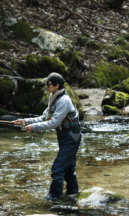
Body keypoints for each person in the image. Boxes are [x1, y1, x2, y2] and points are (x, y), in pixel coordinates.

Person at [13, 72, 82, 201]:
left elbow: (53, 123)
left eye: (48, 84)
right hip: (65, 136)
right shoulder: (54, 97)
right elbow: (44, 117)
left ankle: (54, 197)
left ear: (56, 86)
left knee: (57, 169)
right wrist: (25, 121)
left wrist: (34, 128)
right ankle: (73, 194)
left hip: (71, 137)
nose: (46, 86)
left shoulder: (64, 101)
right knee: (68, 169)